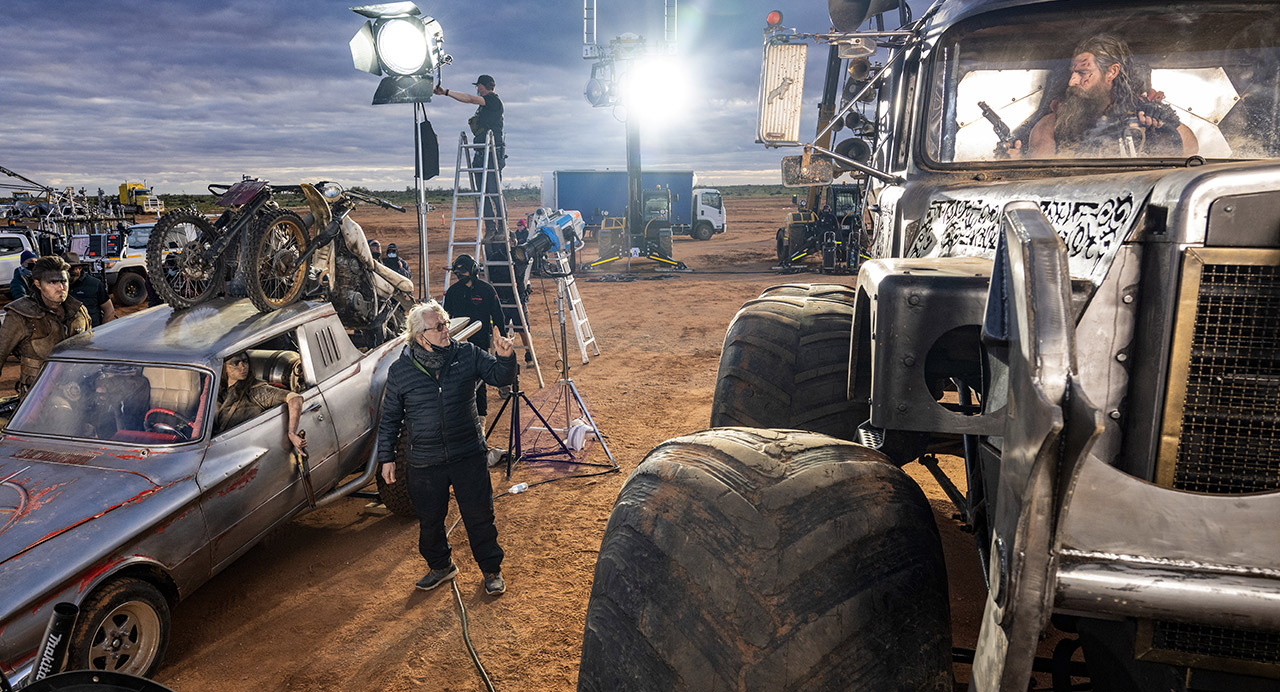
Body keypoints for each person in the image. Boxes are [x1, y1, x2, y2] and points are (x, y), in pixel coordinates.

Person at [377, 300, 516, 595]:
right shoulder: (401, 371)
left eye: (446, 324)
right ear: (419, 336)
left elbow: (500, 377)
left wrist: (505, 358)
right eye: (438, 327)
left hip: (467, 454)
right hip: (425, 462)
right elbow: (390, 418)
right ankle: (441, 566)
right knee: (430, 520)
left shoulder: (466, 354)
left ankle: (491, 570)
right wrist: (386, 457)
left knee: (480, 516)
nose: (446, 331)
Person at [1008, 34, 1197, 159]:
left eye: (1083, 73)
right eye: (1072, 73)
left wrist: (1165, 124)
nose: (1072, 81)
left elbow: (1190, 153)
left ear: (1112, 72)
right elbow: (1042, 176)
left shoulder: (1141, 113)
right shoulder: (1054, 124)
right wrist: (1016, 162)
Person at [0, 255, 92, 394]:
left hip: (77, 387)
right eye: (53, 282)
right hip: (39, 395)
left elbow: (90, 350)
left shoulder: (79, 311)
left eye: (64, 281)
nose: (61, 287)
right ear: (38, 284)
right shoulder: (20, 315)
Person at [434, 75, 506, 238]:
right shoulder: (485, 105)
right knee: (482, 192)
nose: (477, 89)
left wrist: (446, 92)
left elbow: (469, 99)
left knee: (494, 191)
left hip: (492, 153)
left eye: (479, 86)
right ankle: (490, 228)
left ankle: (502, 227)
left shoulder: (493, 100)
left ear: (485, 86)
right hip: (481, 152)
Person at [443, 254, 505, 419]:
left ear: (473, 271)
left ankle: (481, 417)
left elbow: (498, 316)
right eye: (457, 274)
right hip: (458, 344)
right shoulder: (453, 292)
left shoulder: (486, 290)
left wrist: (501, 338)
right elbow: (445, 318)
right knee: (460, 379)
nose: (460, 276)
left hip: (480, 342)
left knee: (479, 379)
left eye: (463, 273)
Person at [214, 351, 306, 455]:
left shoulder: (256, 391)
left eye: (245, 362)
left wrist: (292, 433)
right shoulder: (218, 390)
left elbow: (295, 398)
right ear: (224, 367)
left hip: (242, 449)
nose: (242, 367)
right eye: (236, 363)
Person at [65, 253, 116, 327]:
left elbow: (109, 310)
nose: (68, 273)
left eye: (71, 269)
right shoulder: (57, 286)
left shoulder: (94, 284)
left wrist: (100, 332)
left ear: (79, 268)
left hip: (91, 333)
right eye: (65, 269)